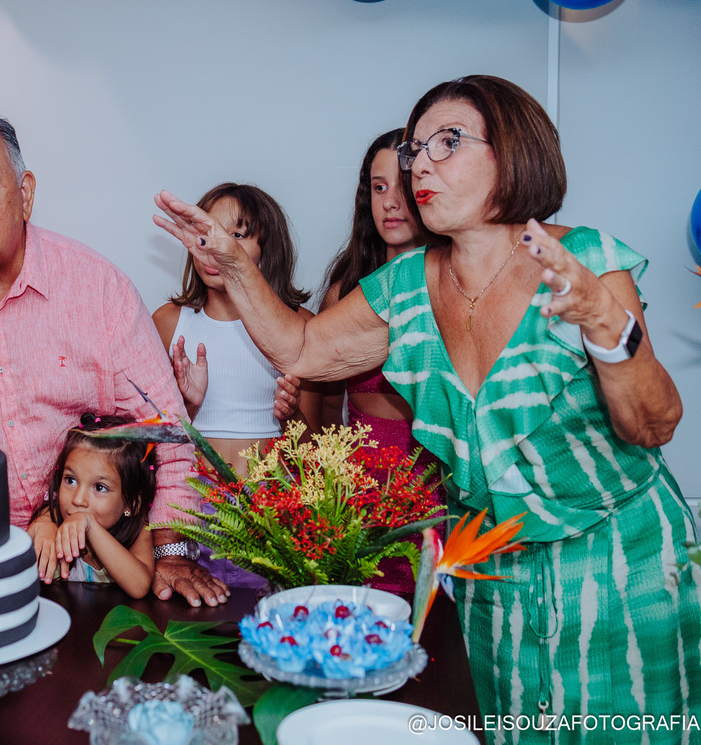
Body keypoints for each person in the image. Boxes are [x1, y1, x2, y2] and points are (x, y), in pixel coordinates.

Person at [154, 75, 701, 739]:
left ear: (511, 153)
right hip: (493, 575)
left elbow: (653, 424)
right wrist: (235, 263)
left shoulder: (586, 260)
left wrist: (606, 323)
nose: (419, 163)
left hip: (624, 572)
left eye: (447, 143)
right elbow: (302, 349)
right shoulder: (403, 285)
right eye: (415, 150)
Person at [0, 107, 228, 607]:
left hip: (92, 570)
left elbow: (167, 436)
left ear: (25, 193)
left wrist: (175, 552)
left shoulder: (98, 288)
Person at [151, 183, 316, 589]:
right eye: (205, 231)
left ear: (267, 248)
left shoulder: (299, 326)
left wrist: (290, 413)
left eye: (237, 234)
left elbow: (314, 449)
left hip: (270, 511)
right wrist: (186, 409)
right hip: (191, 513)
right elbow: (148, 442)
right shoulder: (170, 322)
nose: (215, 245)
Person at [317, 130, 440, 597]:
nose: (390, 202)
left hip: (438, 496)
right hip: (358, 504)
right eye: (378, 186)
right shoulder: (345, 294)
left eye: (403, 185)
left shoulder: (456, 291)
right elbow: (327, 416)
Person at [27, 413, 157, 599]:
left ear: (132, 504)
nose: (78, 500)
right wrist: (43, 528)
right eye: (70, 480)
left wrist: (90, 525)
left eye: (99, 487)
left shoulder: (137, 531)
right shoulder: (50, 520)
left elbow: (139, 586)